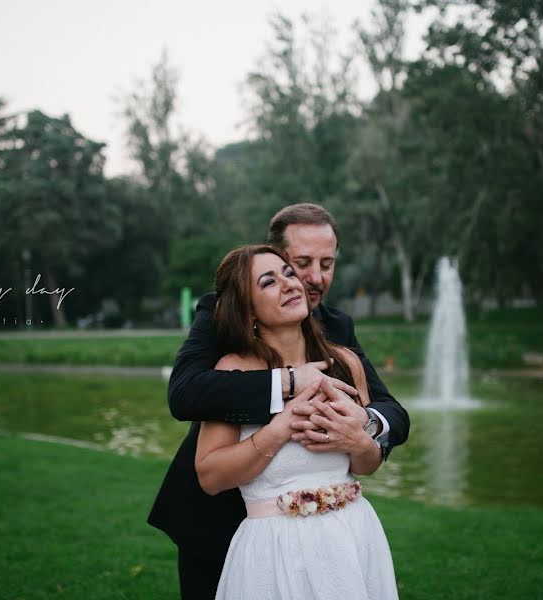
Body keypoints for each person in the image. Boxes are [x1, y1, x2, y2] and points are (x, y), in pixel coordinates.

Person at [148, 203, 409, 599]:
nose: (314, 278)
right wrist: (287, 383)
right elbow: (185, 392)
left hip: (339, 536)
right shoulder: (223, 314)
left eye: (328, 263)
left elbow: (390, 413)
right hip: (221, 524)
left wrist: (359, 427)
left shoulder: (337, 331)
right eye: (301, 262)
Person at [198, 244, 398, 598]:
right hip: (273, 550)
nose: (290, 284)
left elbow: (366, 466)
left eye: (288, 273)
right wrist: (280, 428)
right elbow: (210, 477)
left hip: (352, 536)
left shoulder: (345, 363)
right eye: (268, 282)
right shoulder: (233, 371)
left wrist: (359, 439)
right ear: (249, 311)